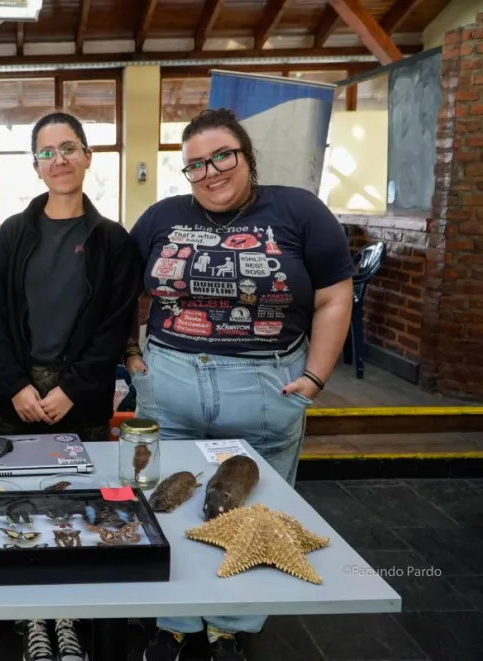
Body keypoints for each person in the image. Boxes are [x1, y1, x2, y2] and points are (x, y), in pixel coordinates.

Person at [127, 108, 354, 661]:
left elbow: (333, 296)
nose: (210, 171)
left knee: (255, 511)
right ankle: (176, 619)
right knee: (166, 504)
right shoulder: (160, 217)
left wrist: (316, 376)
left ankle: (230, 624)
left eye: (221, 156)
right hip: (172, 381)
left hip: (266, 385)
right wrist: (132, 353)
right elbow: (129, 293)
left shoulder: (299, 211)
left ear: (247, 158)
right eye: (195, 164)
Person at [0, 111, 142, 661]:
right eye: (47, 152)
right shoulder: (11, 236)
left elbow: (114, 326)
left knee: (76, 509)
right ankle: (31, 614)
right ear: (36, 166)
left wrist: (72, 389)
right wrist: (17, 385)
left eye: (69, 147)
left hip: (83, 396)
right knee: (19, 506)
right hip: (14, 397)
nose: (60, 159)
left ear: (88, 157)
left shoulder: (111, 240)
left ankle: (68, 613)